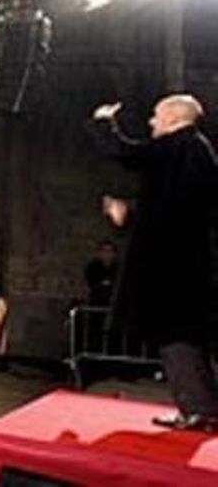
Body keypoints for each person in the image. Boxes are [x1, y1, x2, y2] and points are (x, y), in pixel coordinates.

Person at [90, 97, 218, 430]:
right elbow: (170, 206)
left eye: (156, 115)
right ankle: (197, 407)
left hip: (176, 269)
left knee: (178, 336)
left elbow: (127, 153)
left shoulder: (181, 145)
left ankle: (200, 410)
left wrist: (105, 122)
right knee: (182, 337)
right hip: (184, 264)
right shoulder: (192, 151)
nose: (151, 121)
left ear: (175, 118)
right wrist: (130, 213)